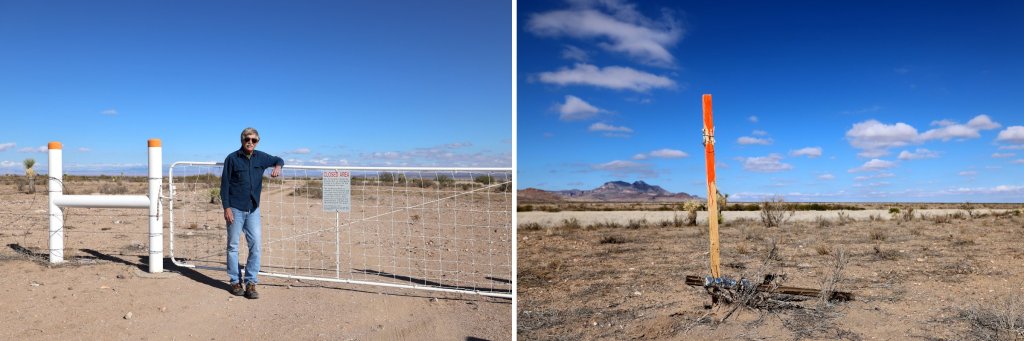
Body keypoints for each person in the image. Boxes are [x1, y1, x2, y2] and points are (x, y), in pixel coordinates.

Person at [221, 127, 283, 299]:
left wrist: (278, 166)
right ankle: (234, 281)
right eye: (247, 139)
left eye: (254, 140)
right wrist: (226, 207)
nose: (250, 142)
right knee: (233, 246)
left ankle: (251, 283)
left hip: (253, 209)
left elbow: (279, 158)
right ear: (241, 140)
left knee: (255, 246)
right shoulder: (232, 159)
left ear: (257, 141)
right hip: (234, 208)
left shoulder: (261, 157)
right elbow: (224, 185)